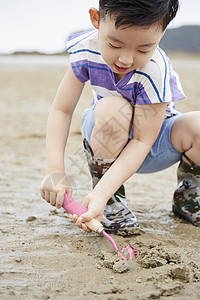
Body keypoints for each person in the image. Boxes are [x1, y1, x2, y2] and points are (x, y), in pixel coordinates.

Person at [40, 0, 200, 234]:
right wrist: (55, 170)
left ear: (162, 33)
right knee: (112, 108)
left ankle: (189, 198)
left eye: (143, 49)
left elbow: (142, 140)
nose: (125, 59)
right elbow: (61, 110)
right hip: (106, 137)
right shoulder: (86, 49)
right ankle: (110, 203)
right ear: (96, 20)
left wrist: (99, 193)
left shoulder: (155, 69)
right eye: (115, 44)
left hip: (152, 143)